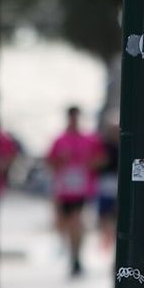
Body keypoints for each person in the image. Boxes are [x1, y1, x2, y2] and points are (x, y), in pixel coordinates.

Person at [46, 106, 101, 278]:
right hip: (64, 189)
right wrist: (61, 163)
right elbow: (50, 162)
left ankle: (77, 257)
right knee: (66, 224)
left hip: (82, 189)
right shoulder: (59, 140)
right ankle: (72, 253)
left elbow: (101, 159)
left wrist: (88, 165)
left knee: (77, 222)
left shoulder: (89, 139)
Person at [95, 120, 121, 254]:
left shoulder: (124, 145)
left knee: (116, 214)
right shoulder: (103, 145)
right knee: (104, 214)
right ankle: (107, 238)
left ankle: (112, 238)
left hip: (118, 183)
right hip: (106, 183)